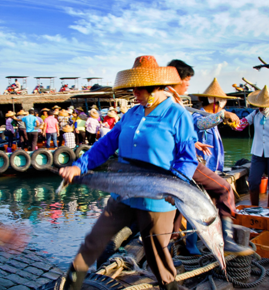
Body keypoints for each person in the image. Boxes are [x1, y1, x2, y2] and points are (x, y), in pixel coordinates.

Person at [59, 55, 196, 290]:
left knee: (158, 259)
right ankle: (70, 286)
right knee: (94, 240)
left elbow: (187, 158)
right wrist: (78, 166)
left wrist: (177, 187)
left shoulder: (177, 115)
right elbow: (106, 144)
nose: (135, 93)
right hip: (123, 193)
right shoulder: (132, 114)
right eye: (133, 88)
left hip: (157, 200)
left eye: (139, 88)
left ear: (156, 86)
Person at [167, 60, 250, 257]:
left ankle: (177, 247)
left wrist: (196, 142)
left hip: (196, 165)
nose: (188, 84)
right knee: (209, 200)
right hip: (189, 167)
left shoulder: (178, 104)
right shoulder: (192, 113)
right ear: (215, 102)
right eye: (186, 80)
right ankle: (214, 241)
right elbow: (201, 123)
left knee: (184, 210)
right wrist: (221, 116)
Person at [234, 85, 269, 207]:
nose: (260, 107)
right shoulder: (255, 113)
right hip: (258, 153)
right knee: (253, 182)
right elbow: (242, 124)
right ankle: (254, 208)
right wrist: (232, 122)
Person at [192, 78, 239, 172]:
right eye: (222, 106)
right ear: (215, 103)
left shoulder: (213, 119)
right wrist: (222, 114)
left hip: (214, 167)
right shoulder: (197, 116)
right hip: (202, 168)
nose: (223, 108)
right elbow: (201, 124)